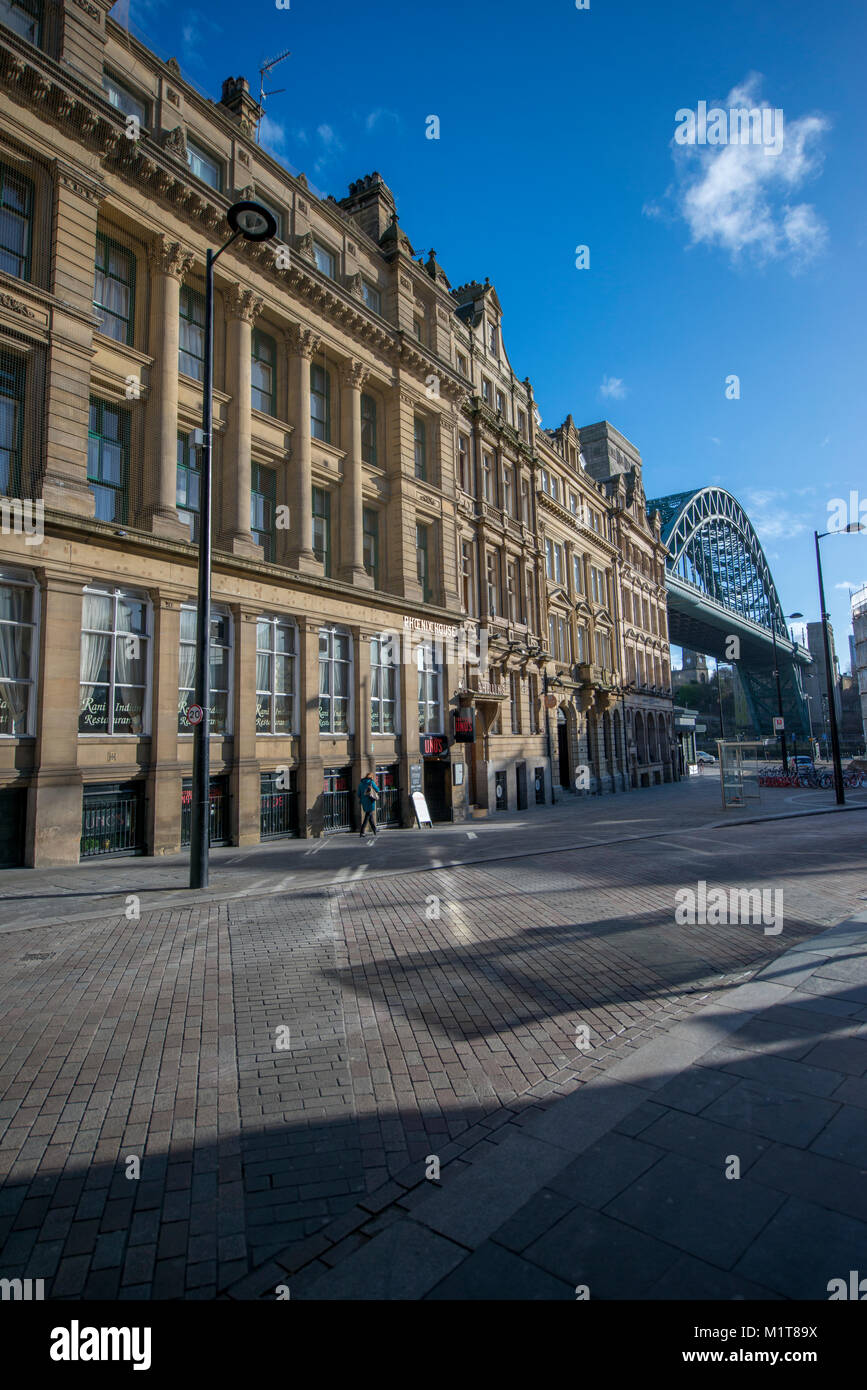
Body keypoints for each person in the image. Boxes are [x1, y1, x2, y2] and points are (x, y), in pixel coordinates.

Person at [357, 770, 379, 836]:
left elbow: (358, 794)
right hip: (370, 801)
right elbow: (377, 789)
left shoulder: (361, 784)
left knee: (369, 816)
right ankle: (362, 832)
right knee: (367, 816)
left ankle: (374, 830)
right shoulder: (371, 782)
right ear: (371, 777)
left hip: (364, 802)